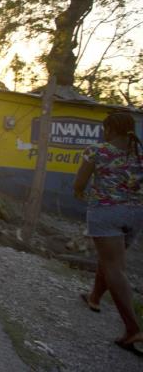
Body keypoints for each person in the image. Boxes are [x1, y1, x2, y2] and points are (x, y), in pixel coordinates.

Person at [73, 111, 143, 356]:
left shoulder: (97, 151)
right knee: (110, 259)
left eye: (106, 129)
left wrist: (79, 192)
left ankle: (133, 328)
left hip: (106, 212)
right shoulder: (139, 153)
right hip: (135, 215)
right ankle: (94, 298)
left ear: (110, 130)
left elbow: (80, 182)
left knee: (115, 267)